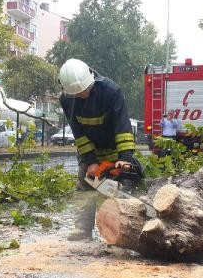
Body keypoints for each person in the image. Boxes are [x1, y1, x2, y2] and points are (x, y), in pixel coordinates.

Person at [58, 58, 141, 191]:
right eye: (77, 94)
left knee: (126, 185)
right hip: (91, 153)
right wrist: (91, 162)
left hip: (115, 150)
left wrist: (125, 158)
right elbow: (78, 133)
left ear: (90, 80)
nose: (82, 95)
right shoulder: (66, 100)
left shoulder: (111, 91)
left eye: (84, 90)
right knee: (86, 190)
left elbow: (122, 126)